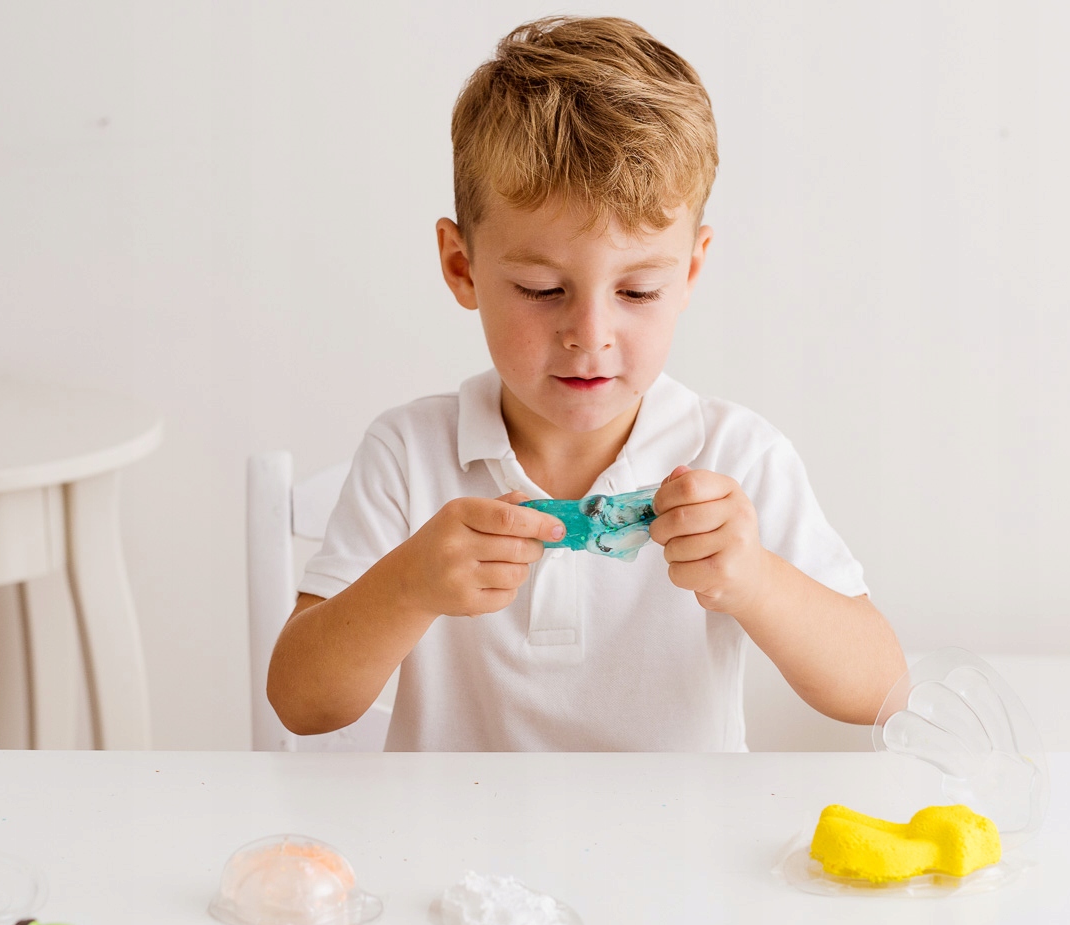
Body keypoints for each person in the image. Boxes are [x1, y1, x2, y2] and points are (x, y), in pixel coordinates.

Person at [267, 16, 906, 750]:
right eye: (542, 290)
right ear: (461, 267)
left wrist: (755, 579)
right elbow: (300, 704)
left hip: (677, 824)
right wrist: (406, 586)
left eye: (637, 292)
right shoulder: (409, 454)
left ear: (690, 272)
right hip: (453, 823)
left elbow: (882, 692)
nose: (590, 334)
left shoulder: (738, 457)